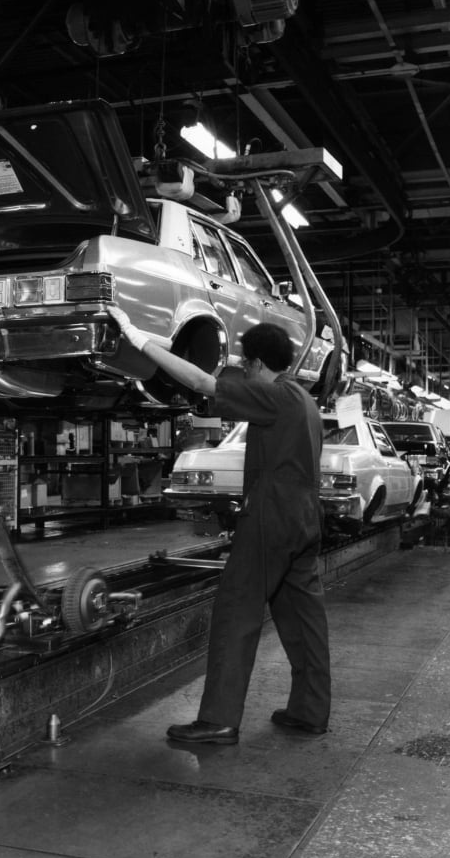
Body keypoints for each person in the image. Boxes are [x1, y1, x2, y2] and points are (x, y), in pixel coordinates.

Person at [109, 307, 330, 744]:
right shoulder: (306, 401)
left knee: (236, 612)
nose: (244, 375)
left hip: (271, 519)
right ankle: (310, 711)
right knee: (304, 619)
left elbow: (202, 383)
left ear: (258, 365)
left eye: (246, 366)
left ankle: (218, 719)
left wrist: (141, 342)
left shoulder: (274, 395)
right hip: (305, 521)